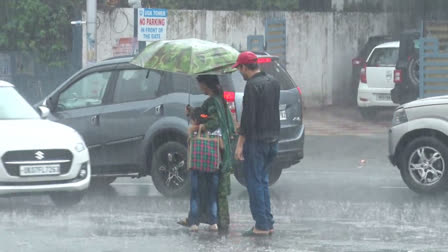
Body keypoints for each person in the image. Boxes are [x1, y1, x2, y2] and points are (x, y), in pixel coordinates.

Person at [178, 75, 236, 232]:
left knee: (203, 187)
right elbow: (203, 116)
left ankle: (203, 220)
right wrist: (191, 112)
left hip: (210, 150)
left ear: (205, 85)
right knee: (212, 187)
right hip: (217, 150)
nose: (199, 87)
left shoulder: (214, 102)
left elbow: (213, 121)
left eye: (200, 84)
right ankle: (209, 220)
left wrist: (196, 128)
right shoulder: (218, 101)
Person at [233, 51, 280, 236]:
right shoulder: (273, 82)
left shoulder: (252, 86)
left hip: (256, 142)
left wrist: (240, 144)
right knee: (263, 182)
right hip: (272, 140)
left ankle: (261, 225)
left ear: (245, 67)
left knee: (254, 183)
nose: (239, 72)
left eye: (239, 69)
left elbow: (248, 118)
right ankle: (267, 223)